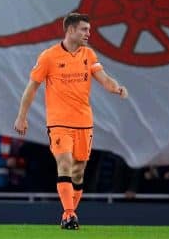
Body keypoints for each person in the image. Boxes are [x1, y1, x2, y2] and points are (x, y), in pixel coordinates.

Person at [14, 13, 129, 230]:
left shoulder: (88, 54)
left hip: (84, 122)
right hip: (59, 122)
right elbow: (32, 87)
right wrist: (22, 116)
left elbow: (104, 78)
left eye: (89, 30)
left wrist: (116, 87)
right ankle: (69, 215)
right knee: (64, 163)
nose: (89, 33)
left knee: (78, 170)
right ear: (70, 30)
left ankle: (69, 214)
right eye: (84, 29)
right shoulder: (49, 57)